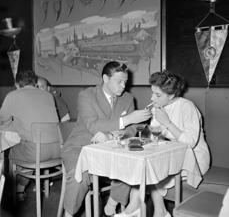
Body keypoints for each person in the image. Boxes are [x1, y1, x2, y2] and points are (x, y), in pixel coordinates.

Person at [61, 61, 152, 217]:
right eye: (119, 81)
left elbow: (131, 130)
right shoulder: (87, 95)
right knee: (79, 177)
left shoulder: (128, 99)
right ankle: (68, 214)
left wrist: (111, 135)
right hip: (79, 147)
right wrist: (127, 119)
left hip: (111, 150)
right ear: (105, 78)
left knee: (133, 164)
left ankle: (112, 203)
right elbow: (93, 125)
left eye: (125, 82)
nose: (123, 86)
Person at [115, 70, 210, 217]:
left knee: (152, 172)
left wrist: (167, 123)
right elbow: (155, 136)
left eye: (158, 95)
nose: (152, 97)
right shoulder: (158, 107)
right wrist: (145, 127)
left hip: (194, 158)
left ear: (171, 95)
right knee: (144, 167)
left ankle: (145, 210)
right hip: (171, 154)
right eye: (152, 92)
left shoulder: (187, 107)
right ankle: (149, 210)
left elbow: (190, 143)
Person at [0, 70, 60, 200]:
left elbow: (2, 121)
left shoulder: (13, 95)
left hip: (34, 153)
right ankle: (20, 190)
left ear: (17, 84)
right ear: (35, 83)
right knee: (28, 144)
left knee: (11, 151)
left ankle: (10, 193)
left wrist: (15, 126)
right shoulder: (48, 96)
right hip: (57, 151)